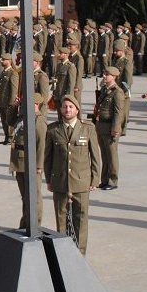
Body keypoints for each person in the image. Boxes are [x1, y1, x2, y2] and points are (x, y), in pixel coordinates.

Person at [45, 95, 101, 255]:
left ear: (77, 110)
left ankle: (80, 253)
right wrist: (49, 179)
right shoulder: (53, 129)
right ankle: (63, 253)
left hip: (82, 181)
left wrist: (95, 179)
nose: (67, 109)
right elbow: (48, 157)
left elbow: (95, 156)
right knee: (61, 220)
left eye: (71, 107)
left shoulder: (87, 128)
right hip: (60, 182)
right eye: (64, 107)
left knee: (80, 220)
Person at [9, 93, 46, 228]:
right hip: (19, 161)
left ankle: (35, 224)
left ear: (36, 105)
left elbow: (41, 144)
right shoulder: (23, 117)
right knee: (25, 196)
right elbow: (10, 121)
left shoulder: (38, 120)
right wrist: (15, 106)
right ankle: (26, 222)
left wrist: (39, 165)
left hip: (31, 162)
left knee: (34, 197)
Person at [95, 67, 126, 190]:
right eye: (104, 73)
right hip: (101, 125)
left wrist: (116, 129)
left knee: (112, 155)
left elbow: (119, 113)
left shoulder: (117, 92)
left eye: (107, 74)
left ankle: (112, 181)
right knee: (104, 155)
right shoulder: (104, 89)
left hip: (110, 127)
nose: (104, 76)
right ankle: (104, 179)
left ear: (114, 77)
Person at [0, 53, 19, 144]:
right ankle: (6, 136)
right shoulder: (4, 72)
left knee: (9, 120)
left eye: (3, 60)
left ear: (9, 61)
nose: (1, 61)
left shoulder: (13, 73)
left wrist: (11, 103)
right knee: (3, 120)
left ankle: (10, 137)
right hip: (2, 100)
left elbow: (14, 89)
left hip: (8, 101)